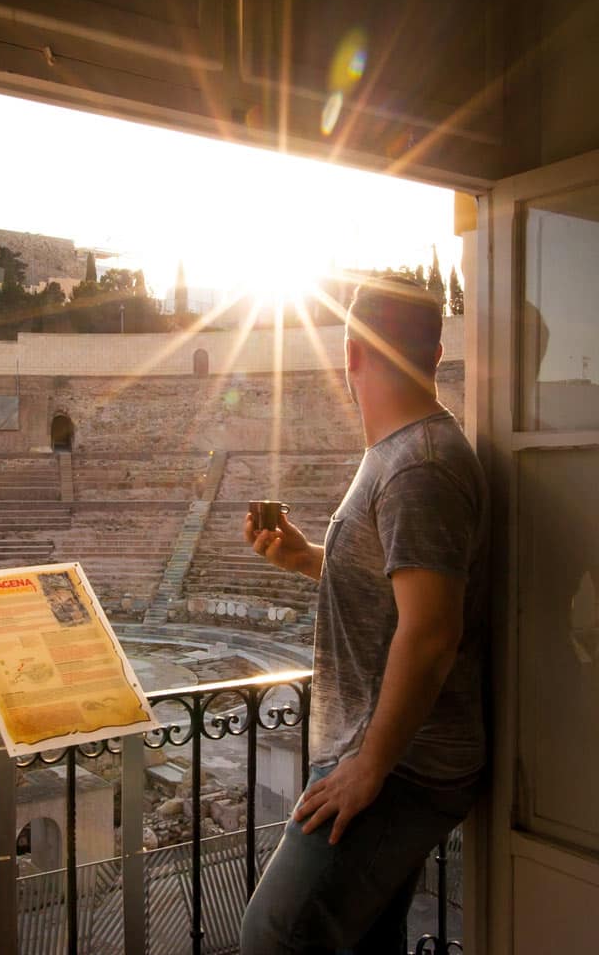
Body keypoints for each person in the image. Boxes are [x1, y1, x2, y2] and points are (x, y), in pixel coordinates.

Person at [239, 277, 488, 954]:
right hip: (386, 755)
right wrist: (304, 559)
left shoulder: (418, 467)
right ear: (434, 353)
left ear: (351, 353)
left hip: (400, 764)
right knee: (366, 941)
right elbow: (402, 591)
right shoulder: (403, 455)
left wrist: (369, 765)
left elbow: (433, 630)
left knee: (273, 935)